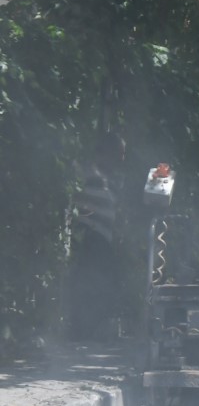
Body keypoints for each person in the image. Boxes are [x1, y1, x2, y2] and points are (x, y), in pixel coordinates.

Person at [67, 133, 126, 339]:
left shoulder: (112, 180)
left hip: (102, 239)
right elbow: (79, 205)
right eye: (119, 153)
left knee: (102, 285)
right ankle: (81, 330)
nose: (121, 159)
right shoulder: (87, 173)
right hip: (91, 238)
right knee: (92, 285)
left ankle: (87, 330)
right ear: (106, 152)